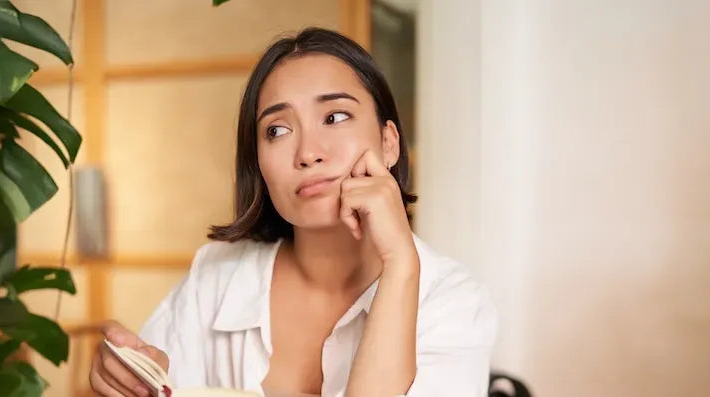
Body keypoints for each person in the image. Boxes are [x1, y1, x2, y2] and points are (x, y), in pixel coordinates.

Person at [89, 28, 497, 397]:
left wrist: (401, 265)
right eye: (277, 130)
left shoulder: (452, 300)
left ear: (389, 143)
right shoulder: (215, 278)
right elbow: (154, 380)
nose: (307, 153)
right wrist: (123, 379)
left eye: (335, 117)